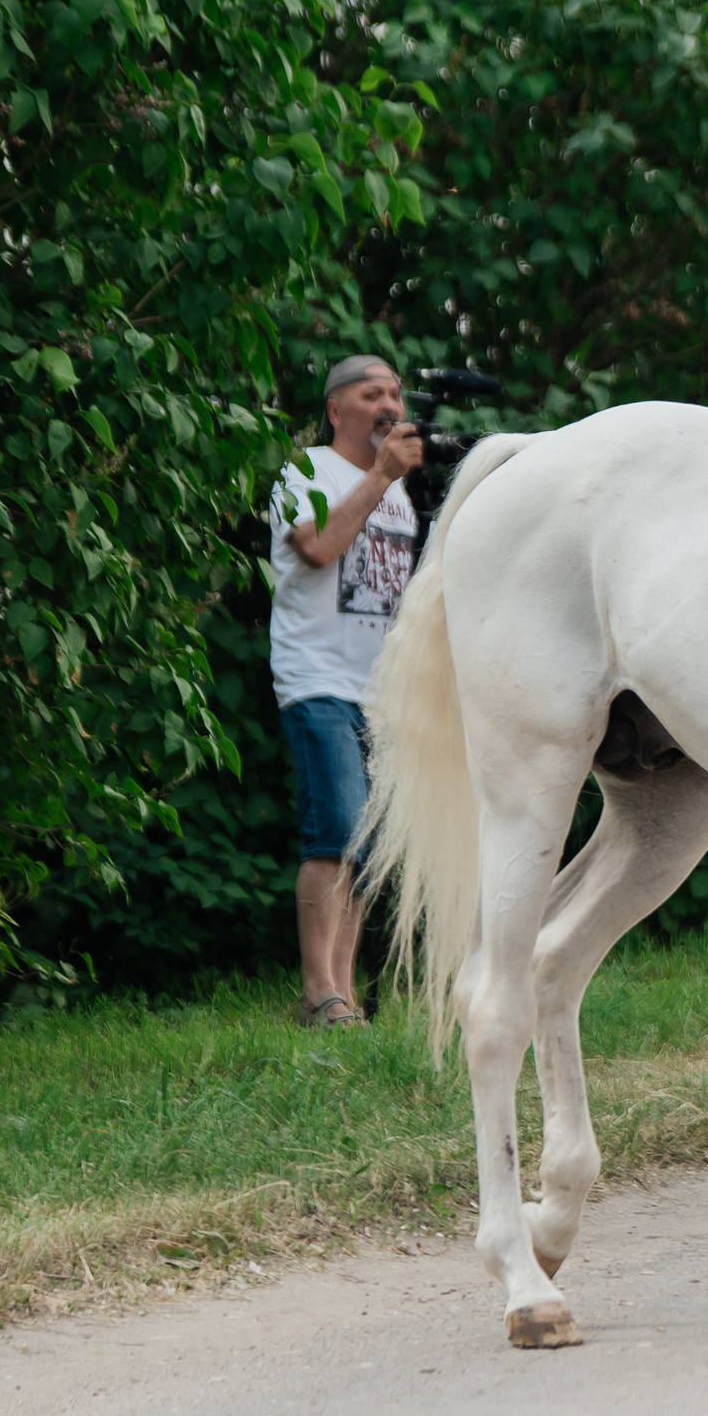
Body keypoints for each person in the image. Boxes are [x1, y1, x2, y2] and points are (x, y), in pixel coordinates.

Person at [269, 356, 423, 1028]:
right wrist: (382, 473)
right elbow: (321, 546)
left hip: (381, 693)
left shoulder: (399, 494)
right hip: (318, 679)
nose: (389, 403)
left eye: (395, 392)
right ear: (337, 409)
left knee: (364, 846)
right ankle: (317, 991)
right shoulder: (305, 473)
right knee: (332, 831)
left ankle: (344, 996)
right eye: (372, 394)